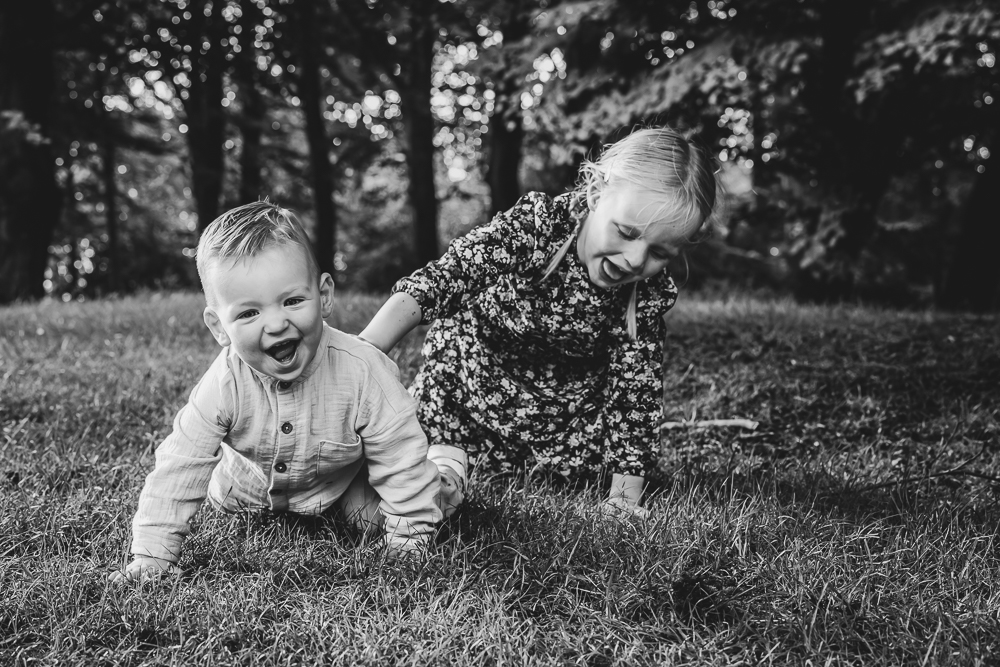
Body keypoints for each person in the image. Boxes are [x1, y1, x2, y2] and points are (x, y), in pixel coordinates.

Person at [359, 126, 720, 516]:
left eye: (659, 252)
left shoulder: (644, 295)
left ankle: (490, 465)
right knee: (406, 441)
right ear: (597, 194)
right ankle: (445, 463)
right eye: (627, 232)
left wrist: (624, 497)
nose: (635, 259)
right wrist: (364, 352)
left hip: (556, 424)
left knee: (588, 456)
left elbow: (635, 396)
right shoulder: (539, 228)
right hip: (469, 387)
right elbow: (449, 275)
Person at [110, 202, 441, 583]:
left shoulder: (363, 372)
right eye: (249, 313)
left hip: (335, 488)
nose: (276, 323)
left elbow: (400, 458)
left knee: (372, 516)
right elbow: (180, 462)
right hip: (243, 497)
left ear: (324, 296)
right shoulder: (224, 383)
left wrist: (408, 544)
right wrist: (152, 556)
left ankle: (448, 469)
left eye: (292, 301)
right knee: (223, 492)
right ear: (219, 328)